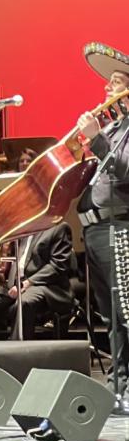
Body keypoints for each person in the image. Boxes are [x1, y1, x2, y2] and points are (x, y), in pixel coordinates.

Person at [76, 42, 129, 412]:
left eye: (115, 82)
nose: (107, 89)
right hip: (96, 229)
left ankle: (124, 386)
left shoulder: (116, 132)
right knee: (109, 314)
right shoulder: (114, 127)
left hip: (121, 228)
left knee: (125, 312)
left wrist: (96, 138)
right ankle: (118, 385)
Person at [0, 221, 73, 339]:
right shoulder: (17, 227)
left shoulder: (58, 227)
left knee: (23, 303)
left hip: (43, 286)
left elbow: (58, 266)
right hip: (12, 286)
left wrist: (27, 283)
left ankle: (16, 353)